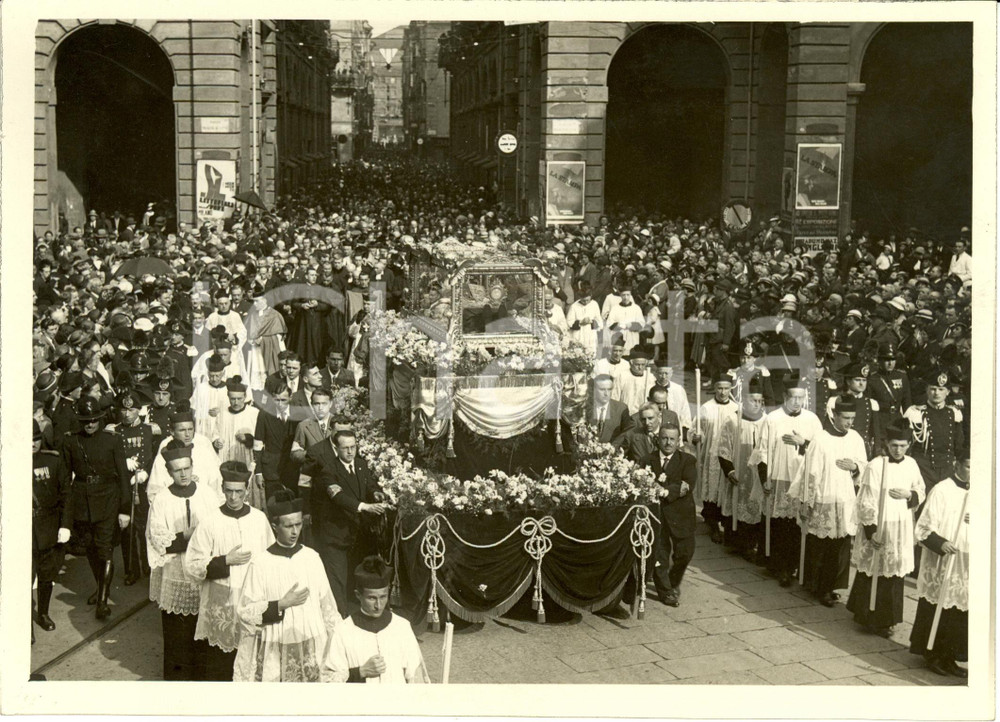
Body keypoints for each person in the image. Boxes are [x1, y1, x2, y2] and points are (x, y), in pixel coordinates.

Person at [233, 490, 341, 682]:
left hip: (311, 639)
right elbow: (245, 611)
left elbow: (328, 607)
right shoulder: (261, 563)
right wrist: (280, 604)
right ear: (275, 526)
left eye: (298, 524)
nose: (295, 532)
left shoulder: (312, 558)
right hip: (276, 642)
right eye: (288, 526)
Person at [184, 461, 275, 680]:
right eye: (229, 491)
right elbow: (192, 564)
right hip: (222, 598)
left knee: (250, 658)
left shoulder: (259, 519)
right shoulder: (210, 521)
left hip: (252, 597)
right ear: (222, 489)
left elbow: (271, 558)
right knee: (221, 661)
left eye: (239, 492)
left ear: (247, 489)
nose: (233, 497)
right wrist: (225, 560)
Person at [146, 441, 220, 680]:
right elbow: (157, 538)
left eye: (187, 468)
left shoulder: (207, 494)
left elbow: (219, 530)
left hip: (202, 574)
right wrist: (186, 536)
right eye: (177, 470)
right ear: (169, 472)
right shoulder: (162, 500)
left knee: (203, 633)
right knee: (178, 637)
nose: (183, 474)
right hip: (175, 574)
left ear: (192, 466)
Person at [846, 422, 925, 636]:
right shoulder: (876, 466)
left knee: (894, 570)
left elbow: (920, 489)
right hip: (880, 523)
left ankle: (886, 620)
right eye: (894, 445)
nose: (898, 450)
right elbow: (866, 500)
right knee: (874, 568)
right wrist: (872, 531)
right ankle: (867, 616)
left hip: (901, 524)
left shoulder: (912, 464)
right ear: (887, 444)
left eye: (902, 445)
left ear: (908, 445)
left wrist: (910, 495)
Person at [787, 397, 868, 607]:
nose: (849, 422)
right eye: (845, 418)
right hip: (825, 497)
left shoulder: (856, 438)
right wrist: (807, 501)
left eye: (852, 418)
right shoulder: (821, 440)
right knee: (821, 545)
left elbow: (864, 465)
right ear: (835, 416)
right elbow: (810, 473)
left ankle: (831, 586)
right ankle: (817, 587)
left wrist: (855, 467)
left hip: (846, 498)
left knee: (840, 546)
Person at [749, 378, 824, 586]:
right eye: (793, 397)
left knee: (798, 525)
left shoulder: (812, 420)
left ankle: (796, 566)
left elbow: (821, 450)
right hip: (779, 477)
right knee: (780, 525)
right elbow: (762, 451)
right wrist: (765, 478)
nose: (797, 402)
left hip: (801, 480)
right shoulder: (773, 419)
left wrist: (804, 443)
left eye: (801, 397)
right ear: (785, 397)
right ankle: (780, 567)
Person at [61, 397, 131, 620]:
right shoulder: (71, 442)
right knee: (90, 547)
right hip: (82, 501)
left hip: (108, 499)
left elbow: (123, 476)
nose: (90, 424)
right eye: (85, 421)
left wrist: (125, 509)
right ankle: (102, 587)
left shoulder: (112, 440)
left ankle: (102, 602)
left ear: (100, 419)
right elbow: (65, 479)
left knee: (104, 548)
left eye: (93, 420)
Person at [304, 429, 387, 612]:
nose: (350, 452)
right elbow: (338, 497)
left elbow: (369, 483)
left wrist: (375, 493)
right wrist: (364, 506)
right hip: (335, 534)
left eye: (353, 447)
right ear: (336, 448)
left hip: (356, 534)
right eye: (345, 448)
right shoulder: (328, 471)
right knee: (338, 581)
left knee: (355, 578)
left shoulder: (361, 464)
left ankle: (360, 614)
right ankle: (340, 618)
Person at [909, 450, 969, 678]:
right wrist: (940, 543)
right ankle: (932, 654)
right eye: (968, 467)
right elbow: (924, 527)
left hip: (964, 562)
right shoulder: (942, 490)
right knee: (938, 607)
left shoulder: (980, 492)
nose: (972, 473)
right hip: (943, 560)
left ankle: (950, 657)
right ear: (956, 464)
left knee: (958, 611)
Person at [322, 556, 430, 683]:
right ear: (358, 595)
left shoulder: (401, 627)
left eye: (383, 597)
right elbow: (328, 680)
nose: (378, 605)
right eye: (372, 598)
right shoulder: (342, 631)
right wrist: (360, 672)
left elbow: (415, 677)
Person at [646, 424, 697, 607]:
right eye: (664, 438)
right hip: (657, 515)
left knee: (685, 553)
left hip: (681, 515)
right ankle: (666, 591)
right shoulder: (647, 460)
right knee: (659, 553)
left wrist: (665, 491)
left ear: (678, 441)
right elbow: (642, 481)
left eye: (672, 439)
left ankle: (673, 581)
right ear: (658, 439)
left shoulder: (687, 461)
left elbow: (687, 485)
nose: (668, 443)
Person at [717, 377, 767, 559]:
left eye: (760, 401)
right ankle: (737, 543)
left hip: (758, 474)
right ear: (744, 400)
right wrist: (729, 470)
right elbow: (723, 447)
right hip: (739, 471)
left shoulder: (766, 421)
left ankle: (752, 544)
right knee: (738, 505)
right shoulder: (733, 420)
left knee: (757, 506)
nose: (757, 404)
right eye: (753, 400)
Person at [110, 390, 155, 586]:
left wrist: (145, 472)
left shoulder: (148, 430)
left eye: (131, 410)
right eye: (123, 410)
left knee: (144, 527)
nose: (127, 414)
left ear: (139, 410)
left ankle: (148, 564)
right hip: (123, 485)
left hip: (143, 484)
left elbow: (153, 456)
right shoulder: (114, 431)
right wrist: (123, 463)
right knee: (126, 530)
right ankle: (131, 569)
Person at [32, 420, 72, 634]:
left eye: (36, 439)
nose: (33, 444)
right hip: (23, 528)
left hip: (48, 526)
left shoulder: (52, 461)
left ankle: (43, 613)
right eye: (28, 440)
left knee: (46, 574)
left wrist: (65, 525)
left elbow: (66, 495)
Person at [690, 371, 738, 543]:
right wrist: (696, 437)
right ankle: (713, 524)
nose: (723, 392)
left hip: (729, 455)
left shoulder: (736, 408)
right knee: (711, 489)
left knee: (725, 489)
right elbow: (696, 429)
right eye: (719, 388)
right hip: (711, 454)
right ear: (715, 389)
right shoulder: (706, 408)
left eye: (726, 389)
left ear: (731, 389)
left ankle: (726, 523)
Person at [147, 402, 223, 505]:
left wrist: (198, 485)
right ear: (172, 432)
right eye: (182, 430)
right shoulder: (164, 456)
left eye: (190, 429)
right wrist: (179, 484)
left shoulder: (204, 452)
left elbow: (216, 486)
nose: (187, 434)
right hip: (173, 507)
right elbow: (154, 493)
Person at [903, 368, 964, 494]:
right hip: (923, 469)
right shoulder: (916, 413)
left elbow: (958, 443)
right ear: (927, 390)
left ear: (947, 392)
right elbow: (907, 444)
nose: (936, 393)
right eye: (933, 389)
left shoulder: (954, 413)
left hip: (947, 468)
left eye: (941, 389)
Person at [253, 377, 300, 499]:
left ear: (290, 397)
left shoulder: (298, 414)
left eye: (283, 400)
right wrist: (258, 472)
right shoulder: (264, 414)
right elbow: (257, 445)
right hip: (271, 470)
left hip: (292, 469)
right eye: (276, 400)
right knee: (273, 505)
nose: (280, 404)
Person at [827, 360, 882, 459]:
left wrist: (877, 454)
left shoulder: (872, 403)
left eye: (864, 380)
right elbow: (829, 428)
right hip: (840, 448)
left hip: (863, 451)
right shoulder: (835, 401)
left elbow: (876, 433)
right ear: (848, 381)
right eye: (857, 380)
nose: (861, 384)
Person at [213, 375, 259, 468]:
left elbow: (261, 438)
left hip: (247, 457)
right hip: (226, 457)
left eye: (239, 399)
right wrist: (216, 442)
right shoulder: (222, 414)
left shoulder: (254, 413)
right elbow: (215, 434)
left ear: (245, 396)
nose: (236, 402)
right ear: (228, 397)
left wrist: (248, 438)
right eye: (233, 399)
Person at [246, 290, 288, 391]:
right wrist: (251, 340)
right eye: (253, 301)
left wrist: (263, 339)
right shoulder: (252, 315)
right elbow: (248, 333)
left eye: (257, 301)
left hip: (271, 350)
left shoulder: (275, 315)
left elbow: (279, 338)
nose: (254, 304)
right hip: (256, 350)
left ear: (265, 300)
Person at [588, 374, 633, 445]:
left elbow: (626, 433)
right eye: (602, 389)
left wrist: (612, 448)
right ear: (594, 389)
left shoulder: (621, 408)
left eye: (609, 389)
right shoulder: (586, 408)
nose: (606, 393)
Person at [611, 346, 655, 414]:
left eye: (643, 365)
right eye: (637, 364)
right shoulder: (622, 376)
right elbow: (615, 396)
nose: (640, 367)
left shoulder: (650, 377)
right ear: (631, 363)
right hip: (626, 413)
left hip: (644, 413)